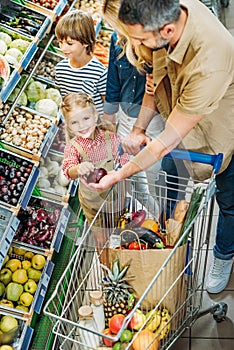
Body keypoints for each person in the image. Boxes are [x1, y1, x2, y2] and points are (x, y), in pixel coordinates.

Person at [88, 0, 234, 294]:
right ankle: (171, 249)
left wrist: (119, 174)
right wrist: (139, 129)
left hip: (222, 124)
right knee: (171, 186)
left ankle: (223, 254)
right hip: (181, 117)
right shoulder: (163, 17)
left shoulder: (210, 61)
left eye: (139, 40)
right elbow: (155, 84)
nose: (134, 45)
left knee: (229, 200)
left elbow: (166, 140)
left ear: (166, 30)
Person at [102, 0, 165, 217]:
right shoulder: (116, 40)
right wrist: (109, 116)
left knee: (154, 176)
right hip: (126, 118)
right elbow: (113, 80)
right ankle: (146, 216)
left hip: (153, 120)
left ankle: (161, 218)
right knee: (131, 176)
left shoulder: (151, 42)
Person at [61, 92, 129, 226]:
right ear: (68, 125)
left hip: (115, 197)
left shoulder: (111, 137)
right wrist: (79, 168)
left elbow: (123, 158)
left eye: (86, 119)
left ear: (95, 116)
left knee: (118, 226)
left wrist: (122, 169)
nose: (81, 126)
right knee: (99, 233)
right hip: (92, 203)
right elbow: (68, 169)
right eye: (74, 122)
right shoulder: (74, 147)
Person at [55, 10, 107, 115]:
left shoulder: (100, 73)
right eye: (60, 42)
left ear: (86, 42)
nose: (63, 48)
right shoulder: (60, 69)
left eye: (70, 43)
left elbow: (107, 106)